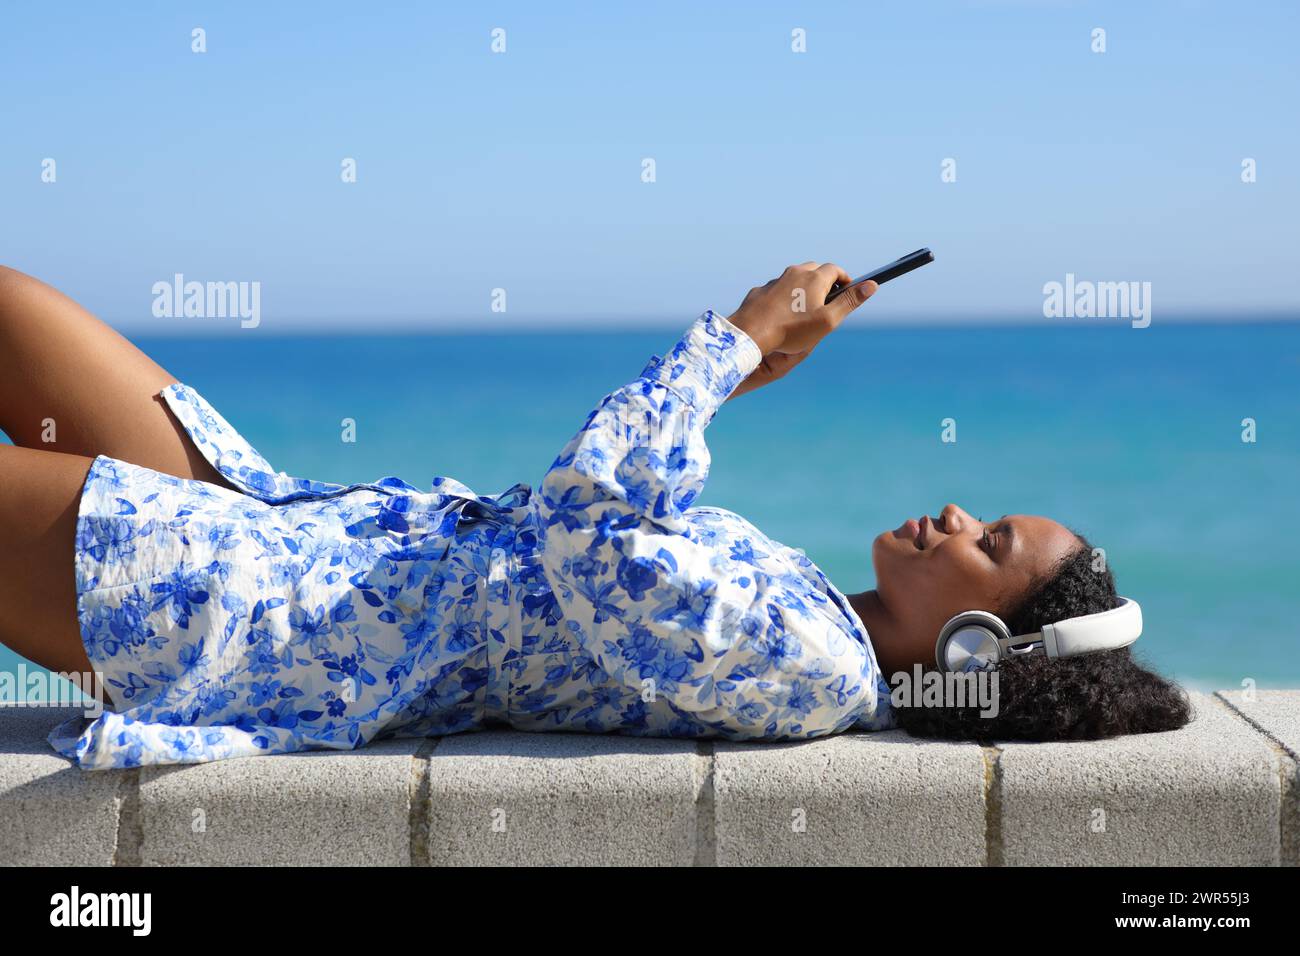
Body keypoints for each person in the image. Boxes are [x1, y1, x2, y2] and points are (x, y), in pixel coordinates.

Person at [0, 263, 1190, 770]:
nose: (955, 510)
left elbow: (581, 525)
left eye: (989, 544)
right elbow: (630, 515)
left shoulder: (812, 668)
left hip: (259, 607)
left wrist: (728, 344)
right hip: (297, 521)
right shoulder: (815, 600)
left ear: (972, 651)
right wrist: (752, 376)